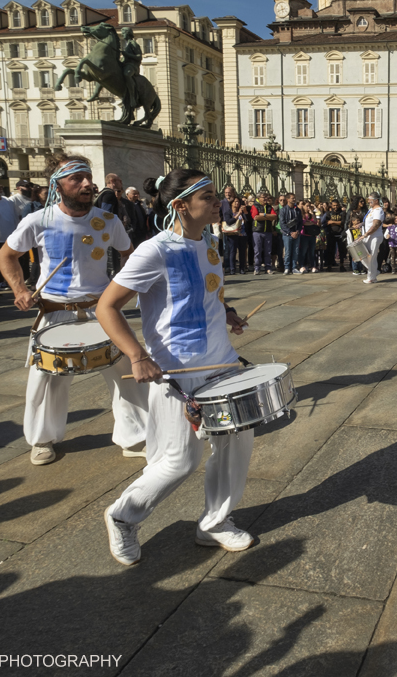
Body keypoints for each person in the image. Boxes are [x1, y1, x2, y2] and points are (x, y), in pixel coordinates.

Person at [96, 168, 256, 565]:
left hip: (221, 361)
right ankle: (123, 515)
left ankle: (215, 522)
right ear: (180, 206)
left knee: (235, 444)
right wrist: (137, 355)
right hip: (177, 371)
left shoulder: (211, 242)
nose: (219, 202)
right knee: (179, 459)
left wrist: (228, 311)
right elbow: (106, 307)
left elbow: (207, 290)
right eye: (209, 197)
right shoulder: (155, 251)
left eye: (217, 196)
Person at [0, 155, 149, 466]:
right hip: (55, 310)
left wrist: (120, 291)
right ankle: (42, 440)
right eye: (76, 179)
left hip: (101, 308)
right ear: (57, 185)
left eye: (88, 177)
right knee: (47, 379)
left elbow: (128, 256)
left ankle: (135, 437)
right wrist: (21, 290)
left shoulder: (108, 220)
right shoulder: (38, 220)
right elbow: (6, 255)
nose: (86, 184)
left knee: (127, 373)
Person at [361, 192, 385, 284]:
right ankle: (374, 272)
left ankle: (371, 277)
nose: (368, 201)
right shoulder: (371, 210)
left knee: (371, 256)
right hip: (368, 236)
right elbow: (367, 222)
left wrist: (366, 234)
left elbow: (376, 225)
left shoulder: (378, 210)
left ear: (376, 200)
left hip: (374, 236)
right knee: (364, 256)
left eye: (370, 200)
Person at [250, 192, 277, 275]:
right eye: (264, 197)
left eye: (266, 197)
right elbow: (256, 217)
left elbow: (274, 216)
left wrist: (263, 215)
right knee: (257, 251)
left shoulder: (269, 207)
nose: (265, 199)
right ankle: (257, 268)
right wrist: (268, 216)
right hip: (257, 231)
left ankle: (268, 268)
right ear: (259, 198)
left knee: (268, 251)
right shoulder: (255, 206)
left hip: (267, 231)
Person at [221, 198, 247, 275]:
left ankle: (242, 268)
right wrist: (238, 215)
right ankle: (232, 269)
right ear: (231, 203)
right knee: (233, 251)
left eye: (238, 202)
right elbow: (229, 222)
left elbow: (246, 221)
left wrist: (244, 213)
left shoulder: (241, 212)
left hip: (242, 234)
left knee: (242, 252)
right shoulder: (228, 212)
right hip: (232, 234)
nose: (237, 203)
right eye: (235, 202)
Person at [321, 199, 349, 272]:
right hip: (331, 234)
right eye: (334, 205)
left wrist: (332, 222)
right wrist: (337, 222)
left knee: (342, 250)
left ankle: (342, 265)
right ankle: (329, 265)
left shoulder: (342, 213)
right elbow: (326, 222)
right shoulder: (328, 213)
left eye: (337, 205)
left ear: (339, 205)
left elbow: (343, 222)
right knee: (330, 250)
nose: (335, 207)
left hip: (340, 233)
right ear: (331, 205)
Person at [279, 193, 301, 275]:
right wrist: (290, 232)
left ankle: (294, 267)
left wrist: (297, 231)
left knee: (295, 251)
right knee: (288, 252)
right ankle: (287, 268)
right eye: (292, 198)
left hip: (296, 234)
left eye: (294, 198)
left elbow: (300, 222)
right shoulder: (283, 210)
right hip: (287, 234)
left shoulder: (297, 210)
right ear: (288, 199)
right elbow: (282, 223)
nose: (294, 200)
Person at [299, 200, 320, 273]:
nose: (308, 208)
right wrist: (310, 223)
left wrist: (312, 214)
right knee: (303, 251)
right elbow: (303, 223)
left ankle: (313, 266)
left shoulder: (311, 214)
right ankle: (302, 265)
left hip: (311, 235)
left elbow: (315, 222)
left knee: (312, 252)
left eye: (309, 206)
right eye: (307, 206)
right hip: (304, 235)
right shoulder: (301, 214)